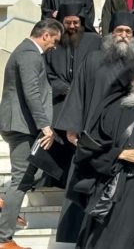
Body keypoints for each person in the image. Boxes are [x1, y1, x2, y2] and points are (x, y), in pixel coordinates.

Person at [73, 55, 134, 248]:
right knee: (114, 239)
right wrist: (121, 154)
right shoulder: (113, 110)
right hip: (122, 185)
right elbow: (87, 148)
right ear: (133, 79)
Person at [0, 19, 63, 249]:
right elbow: (32, 93)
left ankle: (6, 208)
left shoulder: (27, 51)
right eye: (54, 41)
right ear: (45, 35)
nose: (54, 46)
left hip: (21, 125)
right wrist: (45, 126)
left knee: (32, 174)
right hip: (21, 127)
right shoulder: (29, 54)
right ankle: (3, 239)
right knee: (21, 179)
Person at [54, 12, 134, 140]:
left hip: (126, 130)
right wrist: (72, 127)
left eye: (128, 32)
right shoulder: (93, 59)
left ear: (133, 36)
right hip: (94, 127)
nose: (123, 35)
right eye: (119, 31)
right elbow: (78, 91)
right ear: (112, 34)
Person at [45, 3, 102, 123]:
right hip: (59, 100)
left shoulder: (96, 41)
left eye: (76, 22)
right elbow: (46, 71)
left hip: (86, 100)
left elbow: (101, 70)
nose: (72, 26)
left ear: (81, 22)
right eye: (67, 22)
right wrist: (65, 88)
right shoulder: (52, 42)